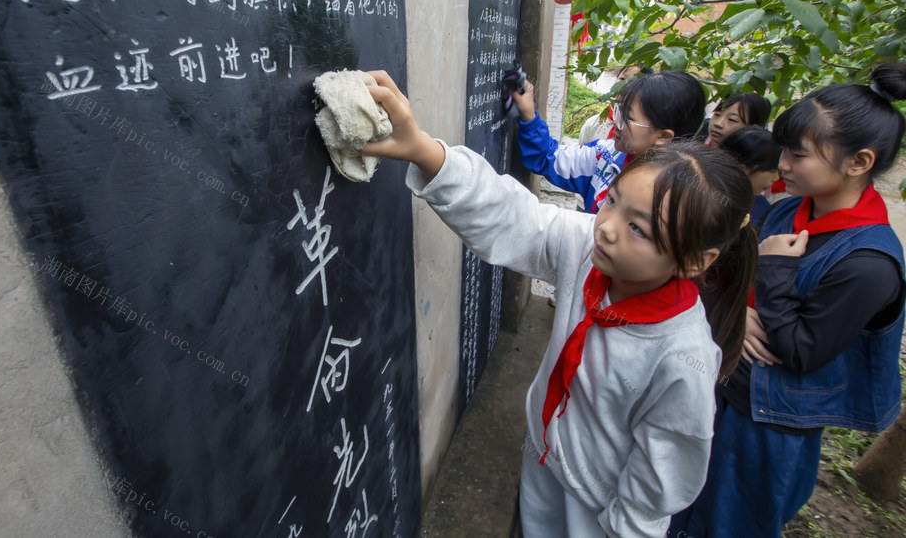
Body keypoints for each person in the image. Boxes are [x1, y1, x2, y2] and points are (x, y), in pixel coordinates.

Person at [359, 70, 757, 537]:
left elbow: (658, 482)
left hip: (594, 510)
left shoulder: (682, 360)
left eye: (639, 229)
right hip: (542, 461)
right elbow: (517, 217)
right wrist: (425, 150)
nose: (607, 226)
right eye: (612, 201)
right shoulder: (590, 250)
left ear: (695, 260)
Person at [670, 63, 906, 537]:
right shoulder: (790, 211)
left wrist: (773, 273)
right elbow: (728, 279)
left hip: (770, 425)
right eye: (784, 152)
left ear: (858, 162)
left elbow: (801, 351)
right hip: (728, 387)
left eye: (798, 156)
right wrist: (744, 311)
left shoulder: (869, 264)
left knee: (730, 522)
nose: (782, 166)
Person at [514, 70, 706, 212]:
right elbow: (549, 157)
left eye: (627, 117)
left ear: (663, 137)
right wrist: (529, 116)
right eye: (618, 111)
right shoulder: (605, 156)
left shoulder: (679, 199)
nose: (615, 121)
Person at [720, 125, 782, 229]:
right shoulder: (708, 203)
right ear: (742, 169)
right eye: (772, 171)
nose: (776, 178)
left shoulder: (762, 206)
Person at [695, 92, 772, 148]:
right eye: (717, 115)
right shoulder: (698, 138)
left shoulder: (747, 167)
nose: (718, 124)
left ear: (753, 129)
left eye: (732, 120)